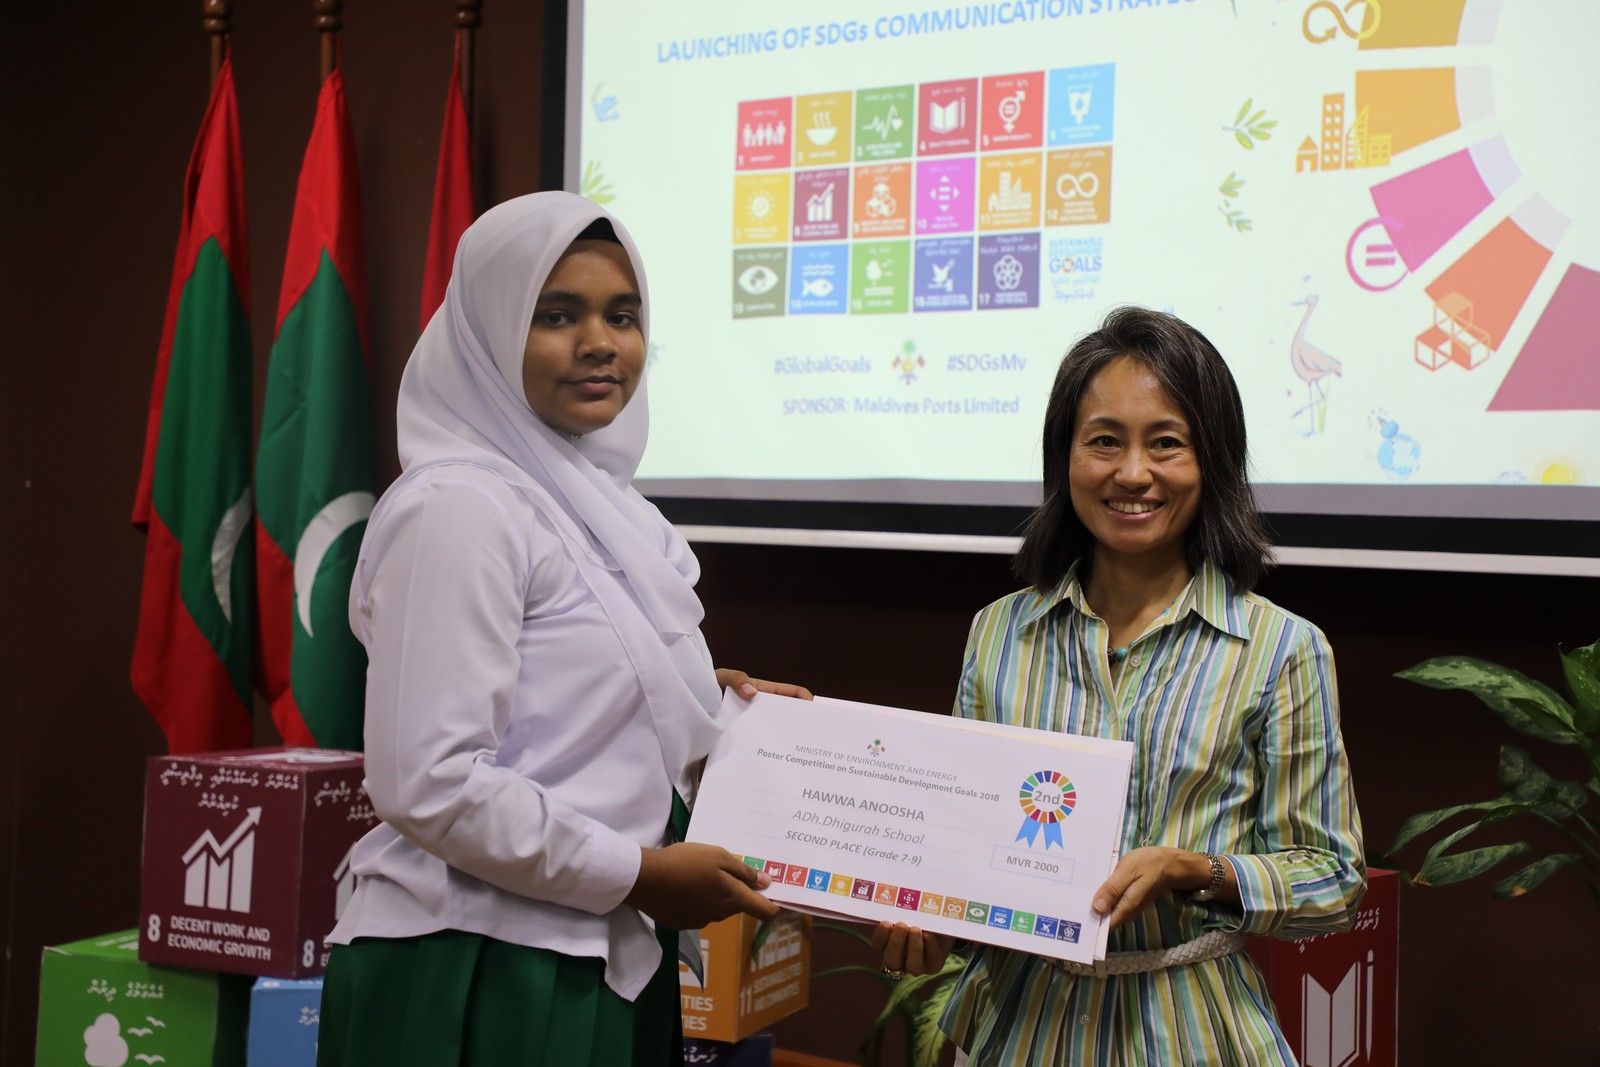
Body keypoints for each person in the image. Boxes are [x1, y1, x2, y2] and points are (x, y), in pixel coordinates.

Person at [318, 191, 808, 1066]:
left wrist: (715, 705)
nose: (600, 342)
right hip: (473, 963)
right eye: (556, 315)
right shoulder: (459, 507)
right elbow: (428, 780)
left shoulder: (596, 506)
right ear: (490, 331)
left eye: (622, 315)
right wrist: (641, 873)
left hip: (594, 950)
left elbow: (563, 692)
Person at [874, 307, 1365, 1065]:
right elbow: (966, 850)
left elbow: (1332, 879)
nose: (1132, 473)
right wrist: (927, 920)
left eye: (1166, 442)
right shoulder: (999, 632)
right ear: (1065, 456)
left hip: (1194, 1032)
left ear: (1213, 460)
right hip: (1020, 1030)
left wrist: (1197, 870)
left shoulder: (1281, 649)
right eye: (1104, 440)